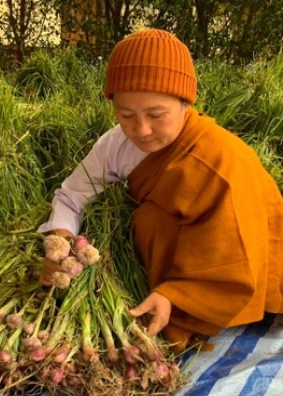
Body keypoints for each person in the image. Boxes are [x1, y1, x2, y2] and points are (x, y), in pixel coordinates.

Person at [38, 29, 283, 352]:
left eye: (156, 115)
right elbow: (72, 195)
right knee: (148, 219)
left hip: (243, 261)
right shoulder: (116, 144)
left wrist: (175, 295)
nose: (141, 130)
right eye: (126, 115)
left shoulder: (222, 158)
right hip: (180, 248)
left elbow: (234, 240)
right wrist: (61, 242)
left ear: (185, 103)